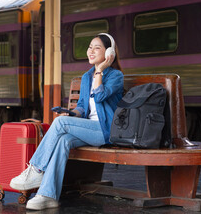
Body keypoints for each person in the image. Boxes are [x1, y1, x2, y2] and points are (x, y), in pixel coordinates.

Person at [9, 33, 124, 210]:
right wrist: (71, 114)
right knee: (63, 139)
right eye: (90, 47)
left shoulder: (115, 76)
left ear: (109, 52)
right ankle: (47, 195)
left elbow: (100, 96)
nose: (91, 51)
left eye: (97, 47)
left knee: (60, 125)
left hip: (105, 130)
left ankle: (37, 169)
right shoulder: (86, 77)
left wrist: (101, 69)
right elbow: (82, 108)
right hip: (89, 130)